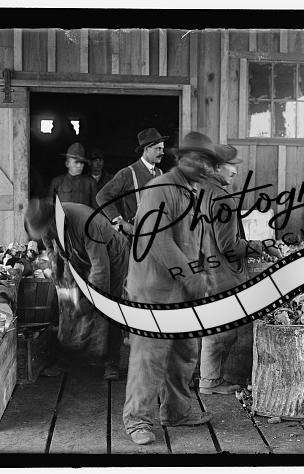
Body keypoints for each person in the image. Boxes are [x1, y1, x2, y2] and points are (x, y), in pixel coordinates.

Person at [122, 131, 220, 445]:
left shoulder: (194, 190)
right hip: (154, 288)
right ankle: (137, 420)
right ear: (183, 159)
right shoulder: (159, 188)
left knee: (185, 350)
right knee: (149, 355)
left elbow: (200, 238)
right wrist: (192, 277)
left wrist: (208, 275)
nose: (204, 167)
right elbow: (158, 240)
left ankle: (177, 411)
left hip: (183, 289)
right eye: (198, 160)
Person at [198, 144, 282, 395]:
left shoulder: (198, 191)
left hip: (203, 268)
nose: (235, 171)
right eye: (231, 165)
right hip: (222, 273)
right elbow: (229, 247)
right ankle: (210, 380)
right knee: (224, 330)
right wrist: (262, 246)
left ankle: (205, 378)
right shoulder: (222, 198)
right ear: (216, 167)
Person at [24, 198, 128, 380]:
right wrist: (56, 267)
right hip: (79, 256)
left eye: (46, 230)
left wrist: (87, 303)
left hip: (113, 257)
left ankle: (112, 361)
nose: (45, 234)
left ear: (53, 220)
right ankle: (72, 359)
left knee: (108, 307)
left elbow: (100, 271)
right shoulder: (47, 224)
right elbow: (50, 247)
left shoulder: (87, 224)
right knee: (69, 304)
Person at [96, 128, 168, 234]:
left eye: (162, 149)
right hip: (134, 235)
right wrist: (120, 222)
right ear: (146, 149)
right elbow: (102, 196)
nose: (162, 153)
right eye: (158, 149)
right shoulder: (128, 173)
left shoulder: (160, 173)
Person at [49, 142, 98, 208]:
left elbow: (96, 209)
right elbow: (51, 207)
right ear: (67, 164)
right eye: (76, 162)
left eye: (82, 162)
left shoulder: (90, 183)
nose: (79, 166)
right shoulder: (57, 182)